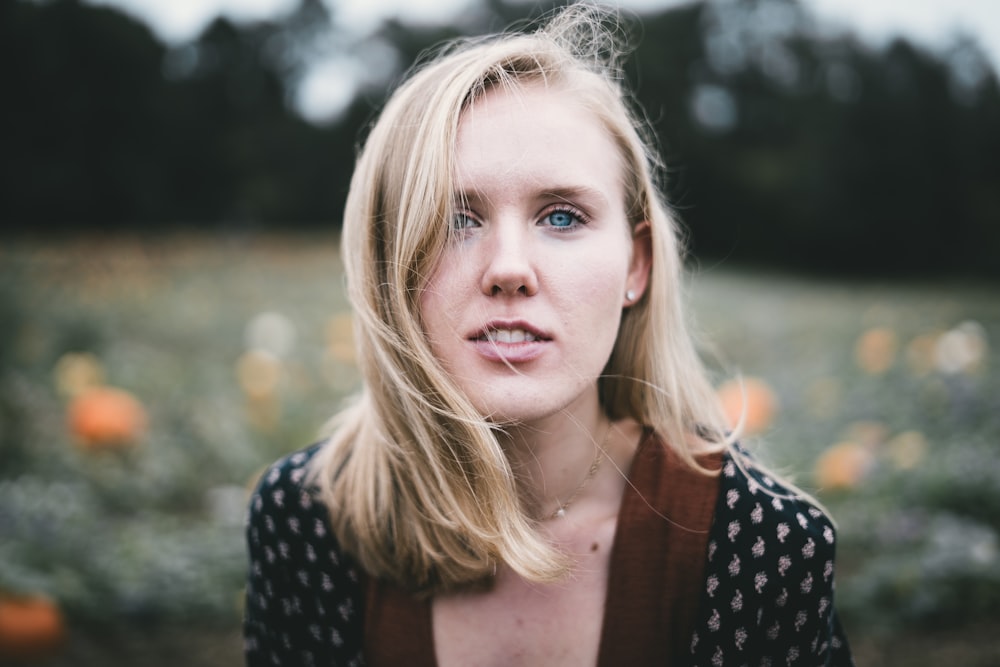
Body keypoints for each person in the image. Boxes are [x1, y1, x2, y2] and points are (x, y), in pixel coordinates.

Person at [243, 4, 854, 665]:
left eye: (561, 216)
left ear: (636, 264)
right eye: (455, 220)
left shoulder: (758, 544)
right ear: (387, 263)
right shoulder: (307, 521)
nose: (509, 268)